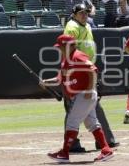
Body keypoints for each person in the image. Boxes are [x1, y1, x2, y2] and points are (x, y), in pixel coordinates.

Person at [43, 34, 114, 162]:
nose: (60, 49)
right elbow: (59, 78)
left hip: (84, 94)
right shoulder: (65, 59)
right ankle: (106, 150)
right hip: (80, 95)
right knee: (92, 123)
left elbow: (92, 70)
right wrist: (45, 82)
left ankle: (64, 153)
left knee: (72, 122)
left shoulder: (77, 56)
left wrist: (89, 89)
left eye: (62, 47)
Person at [64, 3, 119, 150]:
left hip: (88, 68)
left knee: (93, 105)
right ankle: (73, 144)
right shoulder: (72, 27)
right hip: (78, 70)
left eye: (86, 12)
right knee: (74, 108)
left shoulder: (87, 25)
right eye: (81, 13)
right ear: (74, 14)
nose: (84, 15)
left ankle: (105, 140)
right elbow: (69, 49)